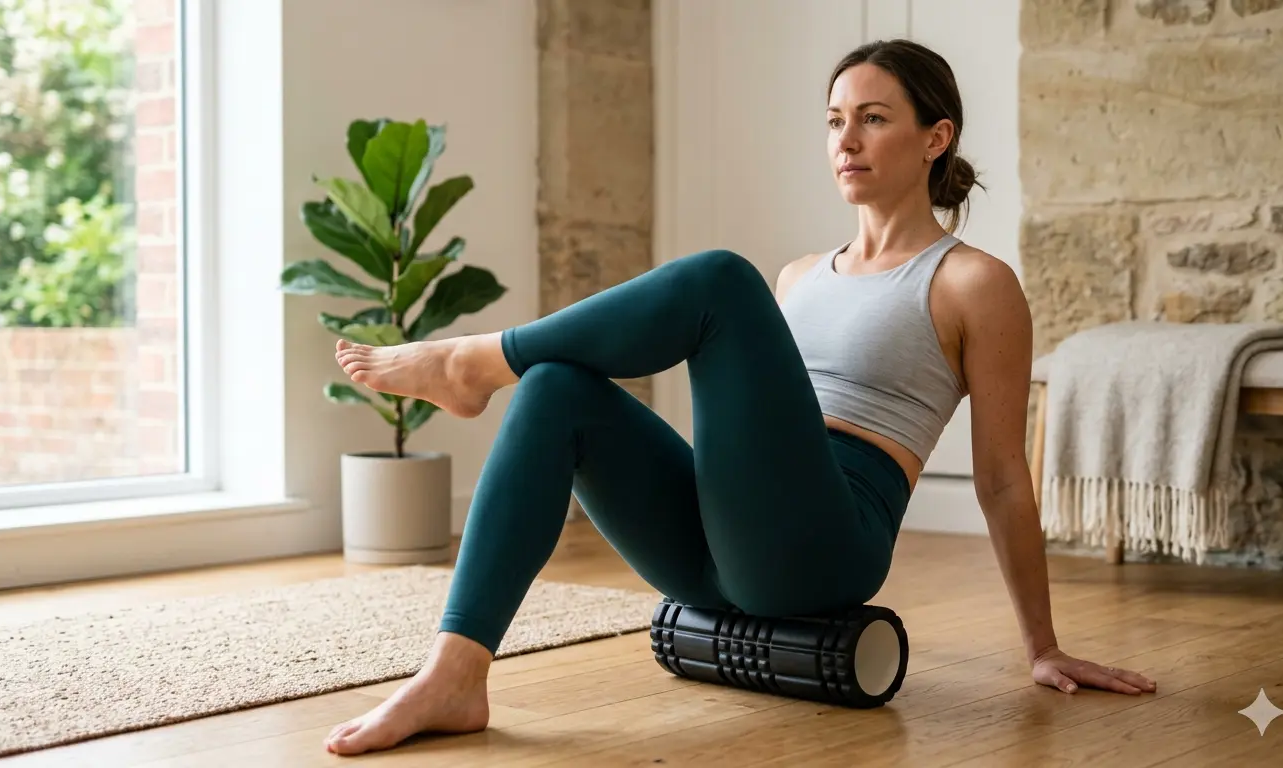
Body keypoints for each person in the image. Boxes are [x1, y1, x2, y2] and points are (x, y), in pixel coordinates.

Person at [321, 38, 1157, 757]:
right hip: (725, 548)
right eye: (835, 120)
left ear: (937, 136)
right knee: (555, 390)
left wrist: (1042, 647)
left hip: (829, 541)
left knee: (719, 278)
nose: (847, 139)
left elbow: (1004, 477)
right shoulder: (798, 278)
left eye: (873, 118)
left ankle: (474, 364)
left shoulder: (974, 283)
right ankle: (455, 675)